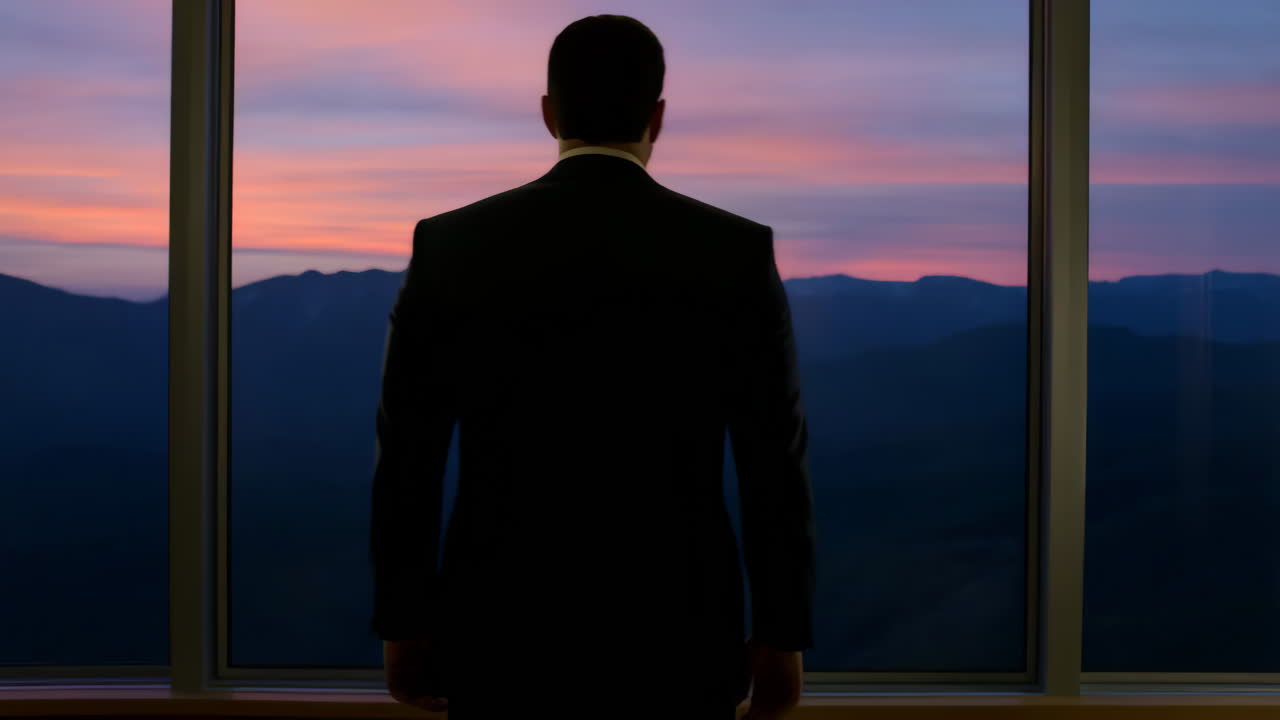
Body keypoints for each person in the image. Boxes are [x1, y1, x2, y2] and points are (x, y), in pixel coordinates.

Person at [368, 14, 816, 720]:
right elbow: (774, 464)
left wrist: (403, 621)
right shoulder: (734, 252)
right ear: (658, 118)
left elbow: (408, 454)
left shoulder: (451, 245)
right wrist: (782, 636)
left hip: (499, 624)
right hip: (681, 627)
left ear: (548, 113)